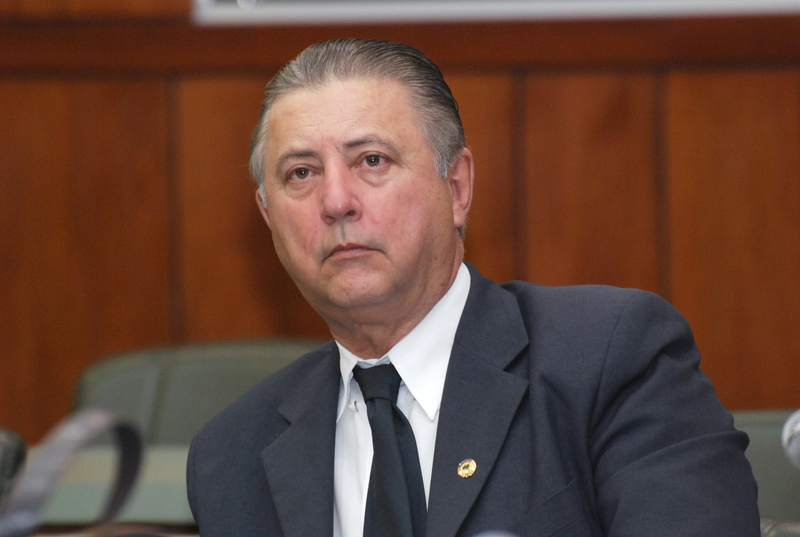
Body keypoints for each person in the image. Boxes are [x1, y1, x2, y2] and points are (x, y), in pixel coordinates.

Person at [186, 38, 760, 537]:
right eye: (301, 173)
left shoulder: (608, 359)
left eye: (372, 160)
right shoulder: (233, 455)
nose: (336, 201)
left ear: (456, 188)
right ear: (268, 216)